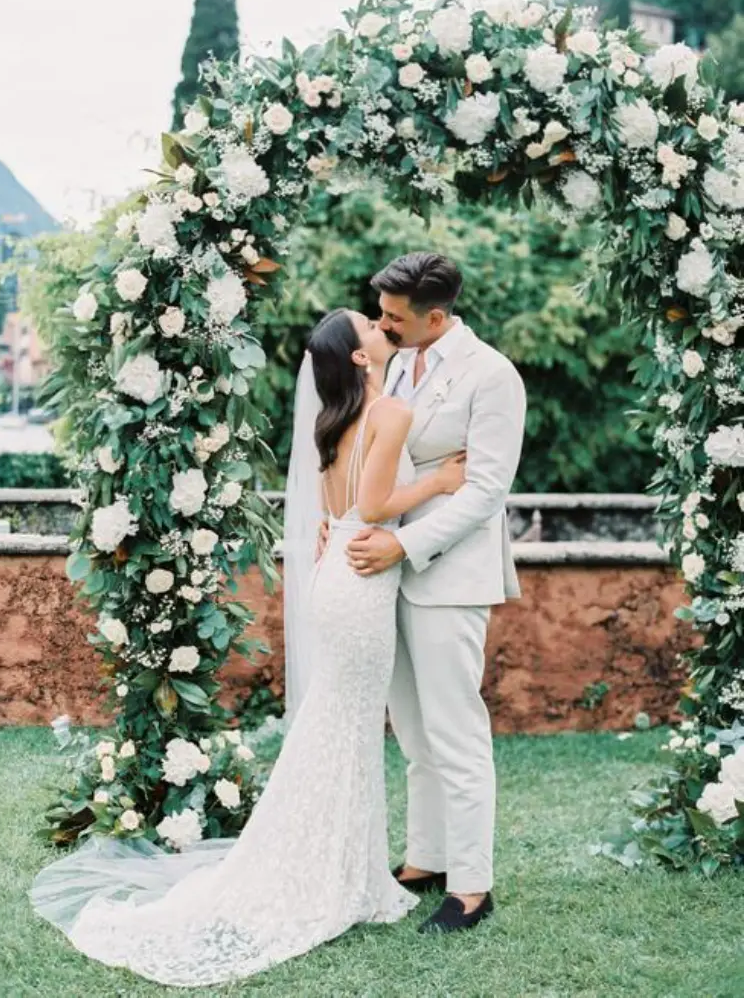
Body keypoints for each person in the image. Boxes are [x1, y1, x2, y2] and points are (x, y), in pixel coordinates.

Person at [30, 306, 466, 989]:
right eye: (372, 329)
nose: (384, 331)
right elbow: (378, 505)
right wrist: (441, 483)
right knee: (346, 729)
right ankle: (335, 876)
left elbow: (340, 507)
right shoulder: (388, 414)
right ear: (358, 357)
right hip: (361, 584)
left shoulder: (337, 419)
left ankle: (346, 869)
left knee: (340, 727)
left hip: (337, 575)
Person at [342, 251, 527, 935]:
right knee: (413, 731)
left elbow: (484, 490)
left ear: (437, 317)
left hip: (449, 576)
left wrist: (406, 542)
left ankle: (472, 888)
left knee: (455, 732)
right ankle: (425, 859)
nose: (383, 326)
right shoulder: (398, 361)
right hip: (387, 574)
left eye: (395, 317)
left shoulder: (492, 376)